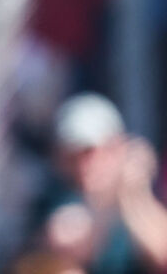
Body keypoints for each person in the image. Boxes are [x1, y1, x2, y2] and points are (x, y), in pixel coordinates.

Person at [38, 93, 167, 274]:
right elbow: (69, 242)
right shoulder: (57, 200)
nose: (84, 165)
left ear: (118, 147)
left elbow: (161, 254)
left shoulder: (137, 200)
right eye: (73, 154)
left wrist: (134, 193)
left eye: (91, 152)